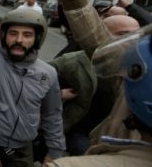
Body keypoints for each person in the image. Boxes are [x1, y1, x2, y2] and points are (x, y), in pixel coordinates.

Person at [0, 0, 65, 166]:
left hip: (21, 149)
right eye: (13, 33)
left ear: (37, 39)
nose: (19, 40)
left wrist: (55, 152)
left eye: (27, 35)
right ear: (5, 36)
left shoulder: (48, 74)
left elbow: (52, 115)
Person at [47, 22, 152, 166]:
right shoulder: (72, 61)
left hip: (116, 137)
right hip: (81, 129)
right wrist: (58, 94)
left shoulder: (137, 68)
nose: (133, 42)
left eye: (135, 34)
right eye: (123, 35)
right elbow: (38, 80)